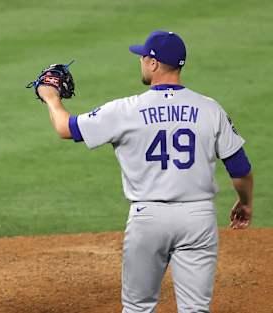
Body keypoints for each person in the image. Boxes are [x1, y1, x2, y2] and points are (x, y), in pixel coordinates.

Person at [36, 30, 253, 312]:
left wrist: (51, 97)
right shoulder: (210, 109)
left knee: (138, 307)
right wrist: (245, 203)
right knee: (196, 309)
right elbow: (240, 169)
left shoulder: (126, 109)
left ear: (153, 63)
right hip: (198, 217)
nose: (140, 61)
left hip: (148, 217)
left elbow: (66, 128)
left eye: (143, 57)